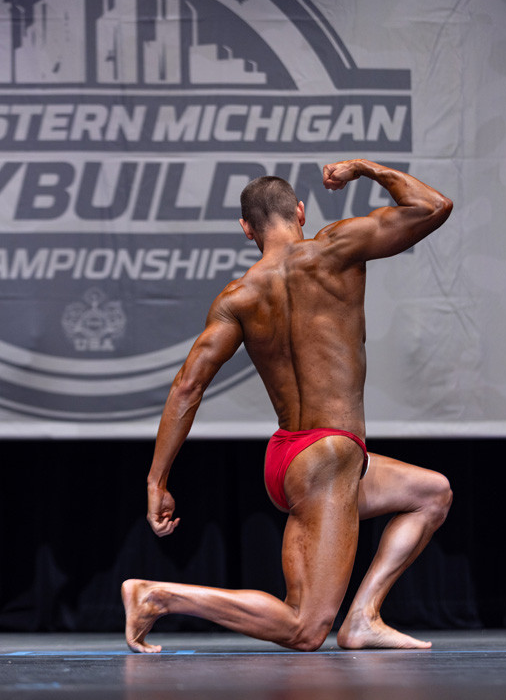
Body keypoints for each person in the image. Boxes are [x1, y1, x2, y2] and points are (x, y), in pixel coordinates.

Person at [122, 158, 453, 653]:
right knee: (305, 627)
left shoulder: (238, 297)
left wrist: (157, 480)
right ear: (300, 211)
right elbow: (433, 206)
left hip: (290, 456)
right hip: (329, 456)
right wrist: (363, 168)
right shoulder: (336, 248)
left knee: (432, 493)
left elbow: (187, 388)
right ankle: (158, 596)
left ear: (246, 229)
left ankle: (363, 617)